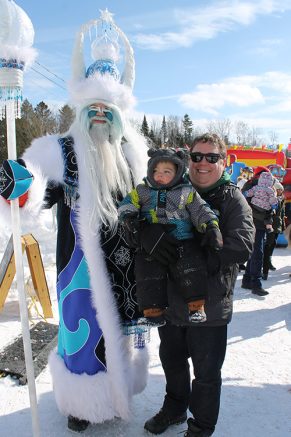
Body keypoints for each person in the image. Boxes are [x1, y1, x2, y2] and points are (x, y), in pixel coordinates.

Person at [0, 10, 149, 433]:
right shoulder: (62, 150)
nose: (100, 114)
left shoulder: (131, 153)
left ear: (118, 113)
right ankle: (82, 403)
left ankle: (119, 393)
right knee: (80, 331)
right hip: (79, 264)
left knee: (121, 329)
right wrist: (19, 182)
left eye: (108, 108)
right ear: (81, 108)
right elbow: (36, 189)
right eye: (93, 107)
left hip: (125, 262)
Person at [142, 133, 255, 437]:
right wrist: (148, 236)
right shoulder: (174, 189)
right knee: (172, 360)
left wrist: (194, 259)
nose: (203, 163)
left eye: (211, 157)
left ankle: (201, 427)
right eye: (196, 156)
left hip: (210, 302)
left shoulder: (231, 198)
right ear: (187, 159)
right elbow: (143, 213)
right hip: (171, 298)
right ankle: (175, 407)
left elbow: (242, 243)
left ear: (224, 161)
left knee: (205, 373)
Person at [118, 147, 223, 327]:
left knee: (192, 267)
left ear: (178, 173)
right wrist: (130, 219)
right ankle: (152, 312)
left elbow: (200, 209)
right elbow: (126, 204)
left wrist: (211, 226)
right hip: (152, 242)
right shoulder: (142, 190)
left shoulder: (186, 191)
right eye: (156, 171)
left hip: (182, 239)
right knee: (146, 271)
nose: (160, 175)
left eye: (167, 172)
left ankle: (196, 307)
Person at [241, 167, 273, 296]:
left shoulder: (252, 185)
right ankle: (256, 284)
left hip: (257, 222)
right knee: (258, 253)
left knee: (254, 252)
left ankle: (247, 280)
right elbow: (244, 203)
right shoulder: (253, 186)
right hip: (255, 223)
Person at [262, 180, 286, 279]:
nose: (280, 191)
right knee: (268, 245)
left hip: (277, 225)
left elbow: (282, 214)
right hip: (271, 225)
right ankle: (265, 269)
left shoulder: (282, 199)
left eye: (281, 189)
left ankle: (268, 261)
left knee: (273, 244)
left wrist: (283, 225)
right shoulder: (272, 199)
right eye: (278, 189)